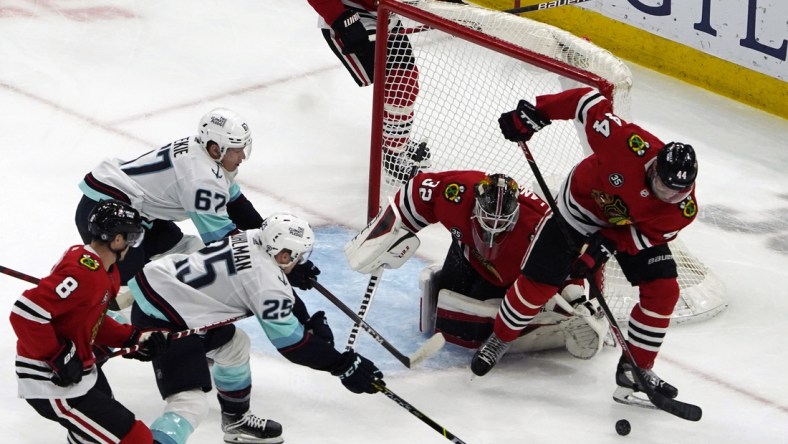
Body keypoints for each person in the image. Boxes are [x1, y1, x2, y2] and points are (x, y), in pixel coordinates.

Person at [474, 87, 699, 410]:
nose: (667, 196)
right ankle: (500, 337)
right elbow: (585, 101)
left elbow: (646, 237)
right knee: (539, 284)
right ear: (653, 167)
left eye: (677, 192)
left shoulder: (683, 209)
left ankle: (636, 369)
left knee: (664, 291)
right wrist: (536, 113)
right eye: (662, 185)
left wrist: (603, 247)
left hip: (628, 229)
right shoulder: (627, 143)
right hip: (579, 209)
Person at [127, 213, 384, 444]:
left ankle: (235, 421)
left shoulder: (253, 237)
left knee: (235, 346)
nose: (300, 260)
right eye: (298, 256)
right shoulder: (266, 282)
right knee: (190, 403)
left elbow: (277, 287)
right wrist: (341, 365)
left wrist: (304, 319)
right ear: (284, 255)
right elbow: (292, 345)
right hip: (164, 321)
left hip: (168, 296)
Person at [344, 169, 609, 359]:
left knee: (470, 326)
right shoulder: (457, 192)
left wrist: (577, 298)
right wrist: (383, 235)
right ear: (476, 205)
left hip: (512, 277)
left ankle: (562, 320)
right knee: (442, 309)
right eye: (487, 220)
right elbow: (414, 194)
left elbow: (574, 262)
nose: (492, 233)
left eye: (501, 225)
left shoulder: (540, 225)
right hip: (467, 252)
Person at [10, 200, 169, 443]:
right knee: (136, 437)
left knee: (91, 437)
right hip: (50, 383)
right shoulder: (84, 272)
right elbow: (26, 313)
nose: (132, 245)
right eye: (131, 238)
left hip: (82, 373)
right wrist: (57, 356)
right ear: (117, 239)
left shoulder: (103, 270)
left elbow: (90, 318)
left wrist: (132, 337)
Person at [75, 108, 265, 288]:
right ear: (216, 149)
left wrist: (267, 236)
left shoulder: (205, 152)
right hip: (107, 210)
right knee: (130, 286)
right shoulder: (202, 178)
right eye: (236, 150)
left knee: (188, 252)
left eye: (243, 148)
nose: (242, 156)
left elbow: (237, 206)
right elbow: (221, 241)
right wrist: (263, 258)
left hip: (136, 211)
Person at [306, 0, 431, 184]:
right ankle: (393, 154)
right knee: (399, 82)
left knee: (406, 80)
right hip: (353, 16)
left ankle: (395, 142)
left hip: (385, 12)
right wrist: (341, 19)